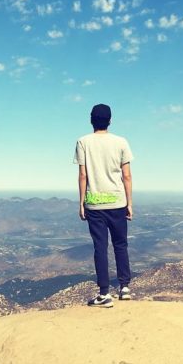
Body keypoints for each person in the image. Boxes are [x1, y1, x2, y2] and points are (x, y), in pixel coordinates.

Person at [73, 103, 133, 308]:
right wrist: (129, 203)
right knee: (120, 245)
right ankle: (125, 288)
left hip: (94, 204)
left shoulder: (83, 142)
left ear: (91, 120)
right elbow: (126, 175)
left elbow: (83, 175)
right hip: (117, 201)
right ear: (110, 120)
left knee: (100, 248)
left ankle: (104, 293)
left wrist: (81, 203)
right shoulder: (121, 142)